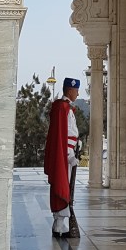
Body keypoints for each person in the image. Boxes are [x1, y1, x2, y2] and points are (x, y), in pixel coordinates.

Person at [43, 76, 80, 238]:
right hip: (65, 157)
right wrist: (70, 155)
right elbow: (65, 136)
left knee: (63, 186)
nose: (78, 94)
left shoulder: (62, 107)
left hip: (64, 154)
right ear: (70, 90)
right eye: (76, 91)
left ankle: (59, 224)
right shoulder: (63, 108)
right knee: (63, 186)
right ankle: (59, 224)